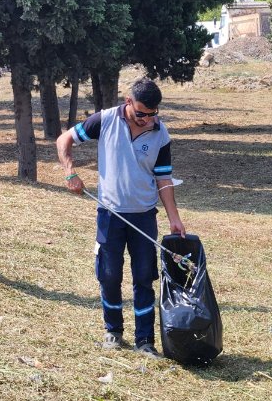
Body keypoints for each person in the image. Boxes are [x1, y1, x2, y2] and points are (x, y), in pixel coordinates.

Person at [56, 78, 185, 359]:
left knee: (143, 278)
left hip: (143, 217)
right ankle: (113, 331)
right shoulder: (104, 121)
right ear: (128, 103)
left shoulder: (160, 133)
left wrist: (174, 218)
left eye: (153, 114)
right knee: (109, 275)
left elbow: (163, 178)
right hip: (110, 215)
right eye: (141, 113)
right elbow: (63, 139)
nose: (147, 120)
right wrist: (70, 172)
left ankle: (145, 341)